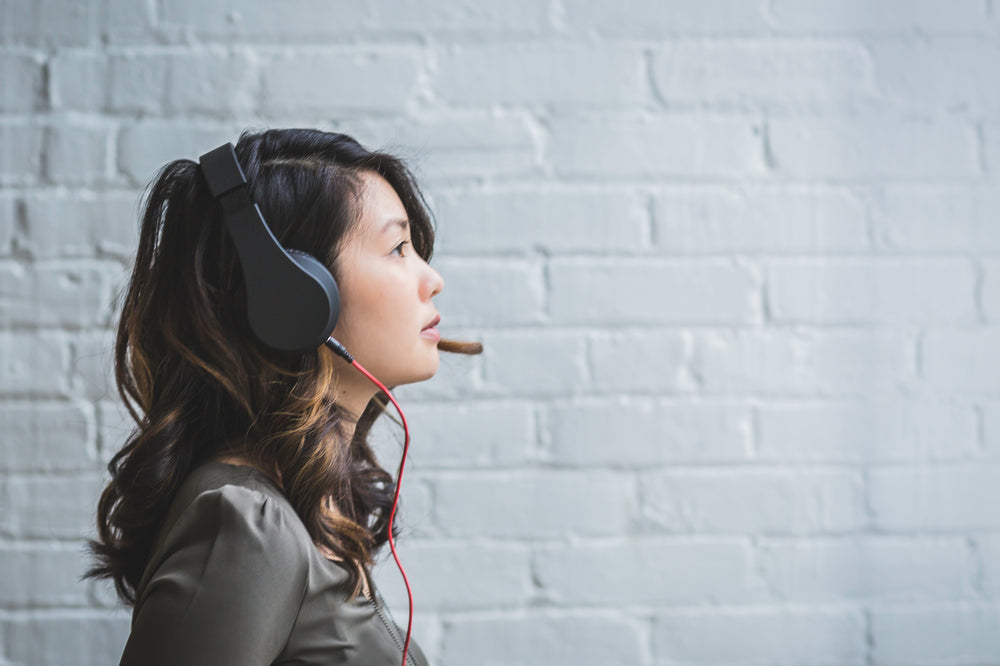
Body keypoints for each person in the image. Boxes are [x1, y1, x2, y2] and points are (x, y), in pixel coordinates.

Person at [83, 128, 482, 665]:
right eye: (398, 248)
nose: (430, 279)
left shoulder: (292, 506)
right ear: (291, 297)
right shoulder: (244, 523)